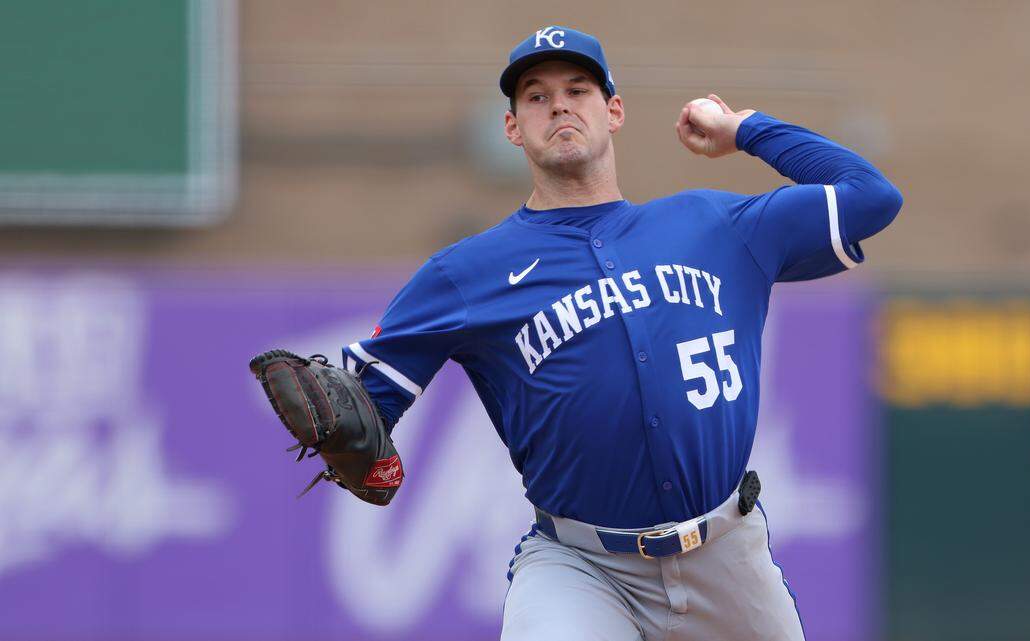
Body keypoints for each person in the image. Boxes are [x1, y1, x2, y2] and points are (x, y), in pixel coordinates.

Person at [341, 25, 902, 641]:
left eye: (577, 89)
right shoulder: (465, 273)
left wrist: (745, 128)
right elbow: (359, 408)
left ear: (613, 111)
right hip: (581, 565)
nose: (558, 104)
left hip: (727, 555)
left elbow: (871, 196)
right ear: (511, 127)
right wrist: (351, 435)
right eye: (535, 95)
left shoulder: (716, 225)